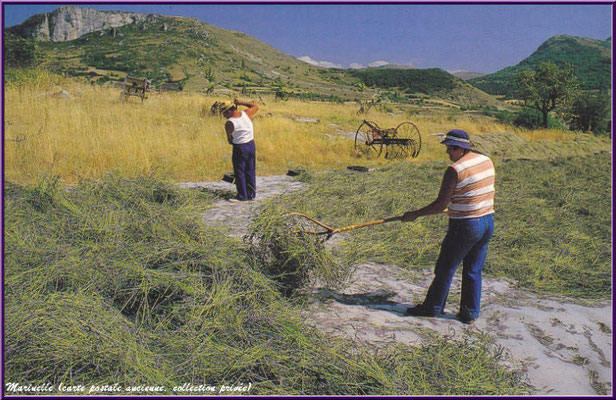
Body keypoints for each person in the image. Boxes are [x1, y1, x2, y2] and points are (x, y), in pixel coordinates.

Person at [402, 129, 495, 324]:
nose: (447, 153)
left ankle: (432, 307)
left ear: (460, 149)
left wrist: (414, 215)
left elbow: (440, 205)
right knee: (473, 269)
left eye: (450, 149)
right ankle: (470, 313)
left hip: (466, 225)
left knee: (445, 267)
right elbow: (477, 191)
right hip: (487, 221)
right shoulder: (486, 160)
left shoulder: (455, 170)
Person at [220, 98, 259, 202]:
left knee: (240, 171)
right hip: (251, 145)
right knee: (250, 170)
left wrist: (232, 141)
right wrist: (241, 102)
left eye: (224, 113)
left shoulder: (230, 123)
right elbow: (255, 106)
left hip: (240, 147)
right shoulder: (246, 114)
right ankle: (251, 194)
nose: (224, 116)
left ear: (228, 111)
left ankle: (242, 196)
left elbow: (230, 139)